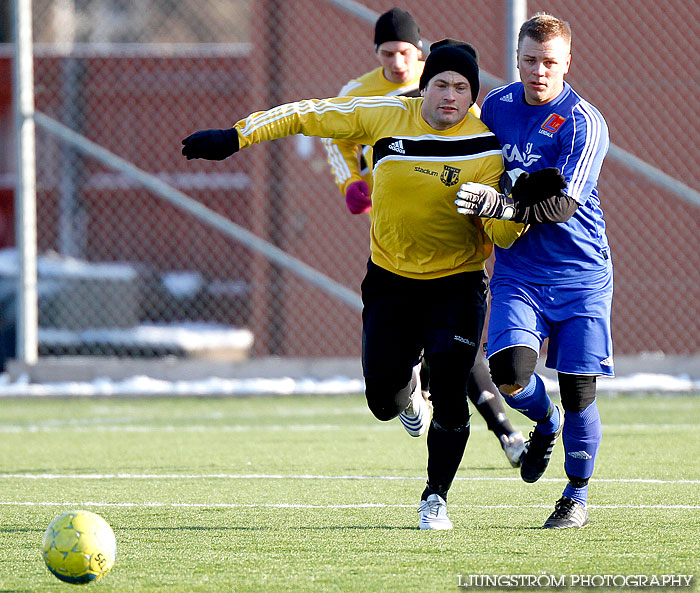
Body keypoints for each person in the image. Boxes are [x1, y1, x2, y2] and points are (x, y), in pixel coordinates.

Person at [181, 40, 562, 529]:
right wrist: (235, 138)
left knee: (451, 390)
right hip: (390, 282)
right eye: (441, 84)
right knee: (382, 401)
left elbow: (503, 235)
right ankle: (406, 395)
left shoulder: (487, 147)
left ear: (473, 96)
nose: (450, 95)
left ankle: (435, 498)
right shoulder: (385, 115)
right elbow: (306, 114)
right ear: (423, 87)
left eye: (462, 88)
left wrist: (509, 207)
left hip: (457, 286)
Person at [322, 7, 526, 469]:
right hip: (394, 227)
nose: (397, 61)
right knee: (394, 380)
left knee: (453, 347)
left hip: (454, 249)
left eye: (405, 52)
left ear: (420, 55)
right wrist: (351, 183)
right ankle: (412, 383)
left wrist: (500, 206)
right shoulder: (361, 94)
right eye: (387, 53)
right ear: (376, 54)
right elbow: (335, 134)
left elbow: (477, 146)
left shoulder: (449, 95)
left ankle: (504, 431)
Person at [455, 13, 612, 529]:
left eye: (549, 62)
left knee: (579, 390)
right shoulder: (498, 106)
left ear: (567, 63)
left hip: (580, 275)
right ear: (516, 60)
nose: (538, 71)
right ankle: (545, 423)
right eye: (529, 60)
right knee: (511, 374)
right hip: (519, 273)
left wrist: (501, 208)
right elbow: (462, 143)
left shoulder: (584, 121)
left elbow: (564, 203)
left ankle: (575, 494)